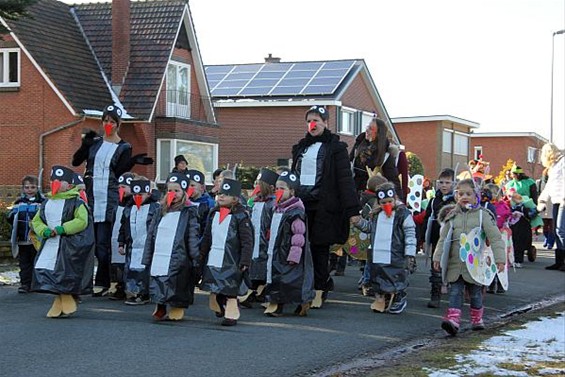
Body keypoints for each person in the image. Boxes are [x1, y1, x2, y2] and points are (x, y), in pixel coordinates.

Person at [72, 104, 153, 296]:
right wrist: (85, 145)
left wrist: (133, 161)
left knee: (102, 244)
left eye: (112, 122)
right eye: (105, 121)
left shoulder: (124, 146)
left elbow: (119, 172)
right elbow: (76, 162)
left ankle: (103, 281)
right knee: (85, 242)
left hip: (108, 199)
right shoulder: (95, 143)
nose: (108, 124)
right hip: (90, 196)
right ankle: (82, 281)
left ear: (118, 124)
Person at [291, 105, 360, 308]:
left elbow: (345, 180)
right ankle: (304, 285)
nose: (312, 124)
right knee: (300, 246)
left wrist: (352, 210)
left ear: (325, 123)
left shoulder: (336, 148)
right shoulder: (301, 147)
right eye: (309, 121)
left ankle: (321, 287)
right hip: (301, 204)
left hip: (323, 205)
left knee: (319, 247)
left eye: (316, 121)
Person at [432, 179, 506, 335]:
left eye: (468, 193)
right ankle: (453, 321)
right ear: (456, 195)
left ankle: (477, 319)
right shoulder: (452, 216)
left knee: (475, 293)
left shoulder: (483, 216)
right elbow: (443, 239)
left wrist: (500, 259)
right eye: (460, 194)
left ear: (476, 195)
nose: (464, 196)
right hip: (456, 263)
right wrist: (437, 257)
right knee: (455, 291)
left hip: (475, 264)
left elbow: (495, 237)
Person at [31, 165, 95, 318]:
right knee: (46, 269)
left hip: (68, 245)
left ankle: (65, 299)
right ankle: (60, 300)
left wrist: (63, 229)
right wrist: (43, 230)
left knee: (64, 272)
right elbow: (36, 220)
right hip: (50, 243)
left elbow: (82, 221)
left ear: (70, 185)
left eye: (60, 181)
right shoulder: (47, 202)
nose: (56, 183)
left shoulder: (76, 202)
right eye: (53, 180)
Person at [142, 173, 200, 321]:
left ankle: (176, 306)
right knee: (158, 277)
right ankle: (160, 305)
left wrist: (195, 256)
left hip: (179, 255)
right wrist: (147, 255)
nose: (172, 194)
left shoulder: (189, 212)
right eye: (169, 190)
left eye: (177, 191)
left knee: (177, 281)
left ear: (184, 193)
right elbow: (151, 234)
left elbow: (193, 235)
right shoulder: (159, 211)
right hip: (159, 253)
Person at [352, 182, 416, 314]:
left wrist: (410, 253)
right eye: (383, 202)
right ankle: (383, 298)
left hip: (396, 254)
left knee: (396, 277)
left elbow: (410, 233)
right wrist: (359, 222)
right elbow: (370, 228)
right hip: (378, 254)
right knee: (379, 276)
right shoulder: (376, 214)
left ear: (395, 199)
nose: (386, 205)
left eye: (389, 201)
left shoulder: (402, 214)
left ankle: (398, 297)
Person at [200, 178, 253, 326]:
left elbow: (247, 241)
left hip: (232, 260)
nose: (221, 196)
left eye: (226, 194)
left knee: (230, 288)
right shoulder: (213, 213)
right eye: (220, 193)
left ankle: (231, 313)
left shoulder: (241, 216)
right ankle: (219, 304)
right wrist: (201, 253)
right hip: (215, 257)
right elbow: (207, 236)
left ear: (235, 198)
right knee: (215, 284)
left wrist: (245, 260)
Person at [263, 171, 315, 317]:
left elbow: (298, 234)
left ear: (292, 191)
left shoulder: (295, 211)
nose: (278, 191)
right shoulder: (277, 208)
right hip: (275, 249)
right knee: (275, 276)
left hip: (288, 251)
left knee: (287, 279)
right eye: (277, 188)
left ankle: (282, 303)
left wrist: (295, 253)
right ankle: (275, 301)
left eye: (283, 188)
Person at [240, 168, 278, 308]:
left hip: (264, 241)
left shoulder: (272, 204)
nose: (256, 187)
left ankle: (260, 290)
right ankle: (254, 290)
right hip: (254, 239)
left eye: (259, 184)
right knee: (254, 264)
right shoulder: (255, 202)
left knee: (263, 264)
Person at [118, 178, 160, 305]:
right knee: (131, 270)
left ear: (148, 193)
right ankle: (132, 292)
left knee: (145, 271)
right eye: (135, 195)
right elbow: (123, 227)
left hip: (148, 246)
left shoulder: (155, 208)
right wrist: (121, 243)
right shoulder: (129, 208)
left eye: (140, 195)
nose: (138, 197)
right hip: (132, 245)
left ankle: (145, 293)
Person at [349, 117, 408, 202]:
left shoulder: (386, 156)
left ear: (378, 133)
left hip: (375, 199)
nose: (367, 130)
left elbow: (394, 182)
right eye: (367, 127)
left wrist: (399, 204)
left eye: (370, 128)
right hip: (354, 196)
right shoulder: (357, 148)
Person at [422, 168, 456, 308]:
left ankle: (455, 296)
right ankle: (435, 294)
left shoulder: (458, 200)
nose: (444, 185)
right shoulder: (433, 201)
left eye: (447, 182)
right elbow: (427, 221)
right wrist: (425, 240)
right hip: (438, 239)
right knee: (435, 266)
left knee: (453, 267)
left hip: (454, 239)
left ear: (453, 183)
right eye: (441, 182)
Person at [7, 175, 45, 293]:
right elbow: (11, 218)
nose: (30, 190)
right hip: (22, 239)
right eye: (27, 187)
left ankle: (36, 283)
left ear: (37, 188)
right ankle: (25, 284)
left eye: (33, 187)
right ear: (23, 189)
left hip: (36, 240)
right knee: (24, 264)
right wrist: (12, 216)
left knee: (36, 262)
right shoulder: (19, 203)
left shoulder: (41, 203)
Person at [358, 174, 387, 296]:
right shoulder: (373, 201)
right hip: (372, 237)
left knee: (368, 261)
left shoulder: (364, 197)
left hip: (367, 234)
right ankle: (366, 282)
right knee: (371, 262)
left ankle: (365, 280)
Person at [108, 172, 136, 300]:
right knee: (118, 264)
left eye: (124, 187)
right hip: (117, 237)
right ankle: (120, 286)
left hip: (128, 238)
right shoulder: (118, 204)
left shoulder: (133, 204)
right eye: (119, 187)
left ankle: (130, 288)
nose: (121, 190)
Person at [537, 143, 565, 271]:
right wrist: (542, 200)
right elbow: (549, 186)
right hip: (555, 200)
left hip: (563, 200)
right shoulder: (552, 167)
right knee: (556, 230)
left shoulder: (562, 162)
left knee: (561, 230)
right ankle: (559, 261)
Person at [186, 169, 216, 238]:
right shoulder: (183, 202)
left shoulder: (209, 203)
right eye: (187, 186)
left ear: (202, 187)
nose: (189, 189)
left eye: (192, 185)